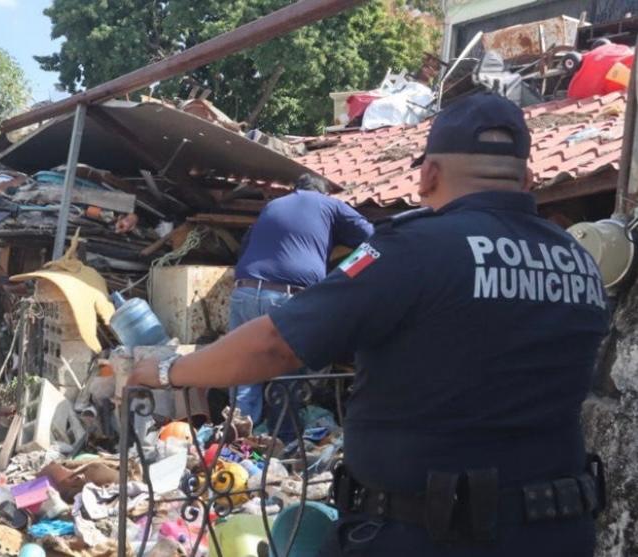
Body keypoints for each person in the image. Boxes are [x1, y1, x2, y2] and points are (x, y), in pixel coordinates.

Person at [129, 93, 609, 556]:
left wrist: (167, 370)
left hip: (427, 534)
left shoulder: (415, 249)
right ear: (527, 177)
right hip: (559, 529)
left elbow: (275, 345)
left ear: (428, 175)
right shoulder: (579, 260)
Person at [230, 173, 373, 431]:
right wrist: (347, 272)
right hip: (287, 296)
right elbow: (373, 238)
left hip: (245, 291)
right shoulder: (330, 205)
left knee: (243, 369)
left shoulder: (273, 205)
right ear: (323, 192)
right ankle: (284, 443)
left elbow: (245, 248)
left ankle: (238, 440)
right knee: (286, 369)